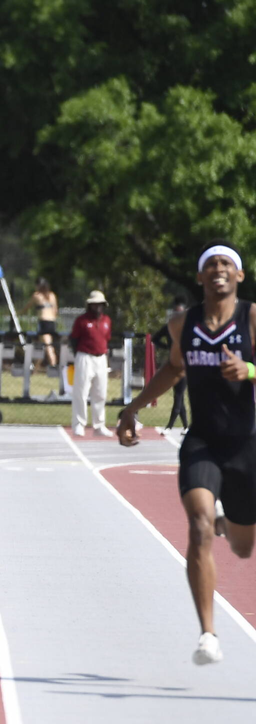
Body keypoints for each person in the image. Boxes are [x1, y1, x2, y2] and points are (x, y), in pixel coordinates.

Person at [117, 243, 253, 665]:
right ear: (199, 277)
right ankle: (208, 635)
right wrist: (132, 408)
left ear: (239, 275)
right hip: (202, 442)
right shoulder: (182, 324)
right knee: (197, 526)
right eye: (210, 264)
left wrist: (249, 370)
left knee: (243, 547)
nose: (218, 269)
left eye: (226, 263)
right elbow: (174, 368)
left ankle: (228, 524)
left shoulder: (251, 318)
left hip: (247, 444)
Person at [70, 290, 113, 437]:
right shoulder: (81, 320)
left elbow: (106, 338)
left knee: (100, 393)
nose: (97, 307)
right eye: (94, 304)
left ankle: (99, 425)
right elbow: (74, 340)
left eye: (100, 304)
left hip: (101, 358)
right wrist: (79, 355)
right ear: (90, 305)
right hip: (85, 356)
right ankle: (79, 424)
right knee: (81, 392)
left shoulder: (107, 320)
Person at [153, 297, 190, 430]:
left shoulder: (189, 328)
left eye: (180, 313)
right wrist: (168, 347)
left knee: (179, 395)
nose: (177, 316)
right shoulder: (170, 327)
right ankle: (185, 426)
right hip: (173, 363)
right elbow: (155, 338)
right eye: (175, 313)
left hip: (184, 365)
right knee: (178, 395)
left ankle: (170, 425)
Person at [29, 277, 60, 370]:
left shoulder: (37, 295)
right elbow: (55, 310)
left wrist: (17, 313)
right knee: (42, 346)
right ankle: (35, 369)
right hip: (52, 322)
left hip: (44, 322)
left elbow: (27, 306)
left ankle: (53, 366)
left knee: (48, 346)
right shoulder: (52, 295)